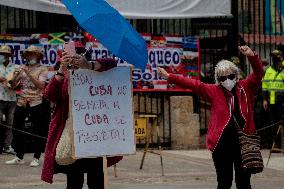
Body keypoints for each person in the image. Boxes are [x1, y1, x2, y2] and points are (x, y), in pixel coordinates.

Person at [158, 45, 264, 189]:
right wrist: (170, 77)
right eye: (223, 77)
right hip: (221, 145)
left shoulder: (246, 87)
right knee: (224, 182)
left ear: (236, 75)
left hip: (244, 143)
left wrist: (251, 55)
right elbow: (194, 84)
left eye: (231, 76)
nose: (227, 80)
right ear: (218, 79)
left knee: (243, 183)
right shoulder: (214, 91)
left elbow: (258, 73)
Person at [41, 52, 122, 188]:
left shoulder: (97, 72)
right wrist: (61, 70)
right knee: (74, 179)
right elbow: (49, 94)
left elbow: (112, 63)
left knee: (96, 178)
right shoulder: (66, 75)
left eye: (77, 56)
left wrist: (88, 65)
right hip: (72, 135)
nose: (74, 60)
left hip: (95, 136)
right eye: (70, 57)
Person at [5, 45, 49, 167]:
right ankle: (19, 156)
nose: (31, 56)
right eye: (29, 54)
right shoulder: (22, 68)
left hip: (36, 101)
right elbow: (13, 86)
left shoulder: (43, 69)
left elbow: (41, 86)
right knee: (16, 127)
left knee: (37, 129)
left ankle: (36, 156)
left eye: (33, 54)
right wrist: (14, 78)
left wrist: (28, 73)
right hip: (22, 101)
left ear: (38, 56)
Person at [262, 50, 284, 143]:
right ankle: (276, 144)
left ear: (281, 57)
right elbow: (264, 86)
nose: (274, 58)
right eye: (273, 56)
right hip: (271, 100)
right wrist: (264, 100)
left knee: (282, 122)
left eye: (277, 56)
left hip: (282, 100)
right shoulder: (269, 70)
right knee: (273, 123)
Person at [0, 45, 18, 155]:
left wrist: (14, 82)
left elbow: (17, 83)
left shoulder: (16, 67)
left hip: (11, 99)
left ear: (9, 56)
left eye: (6, 55)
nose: (4, 56)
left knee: (10, 124)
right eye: (2, 55)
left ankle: (7, 146)